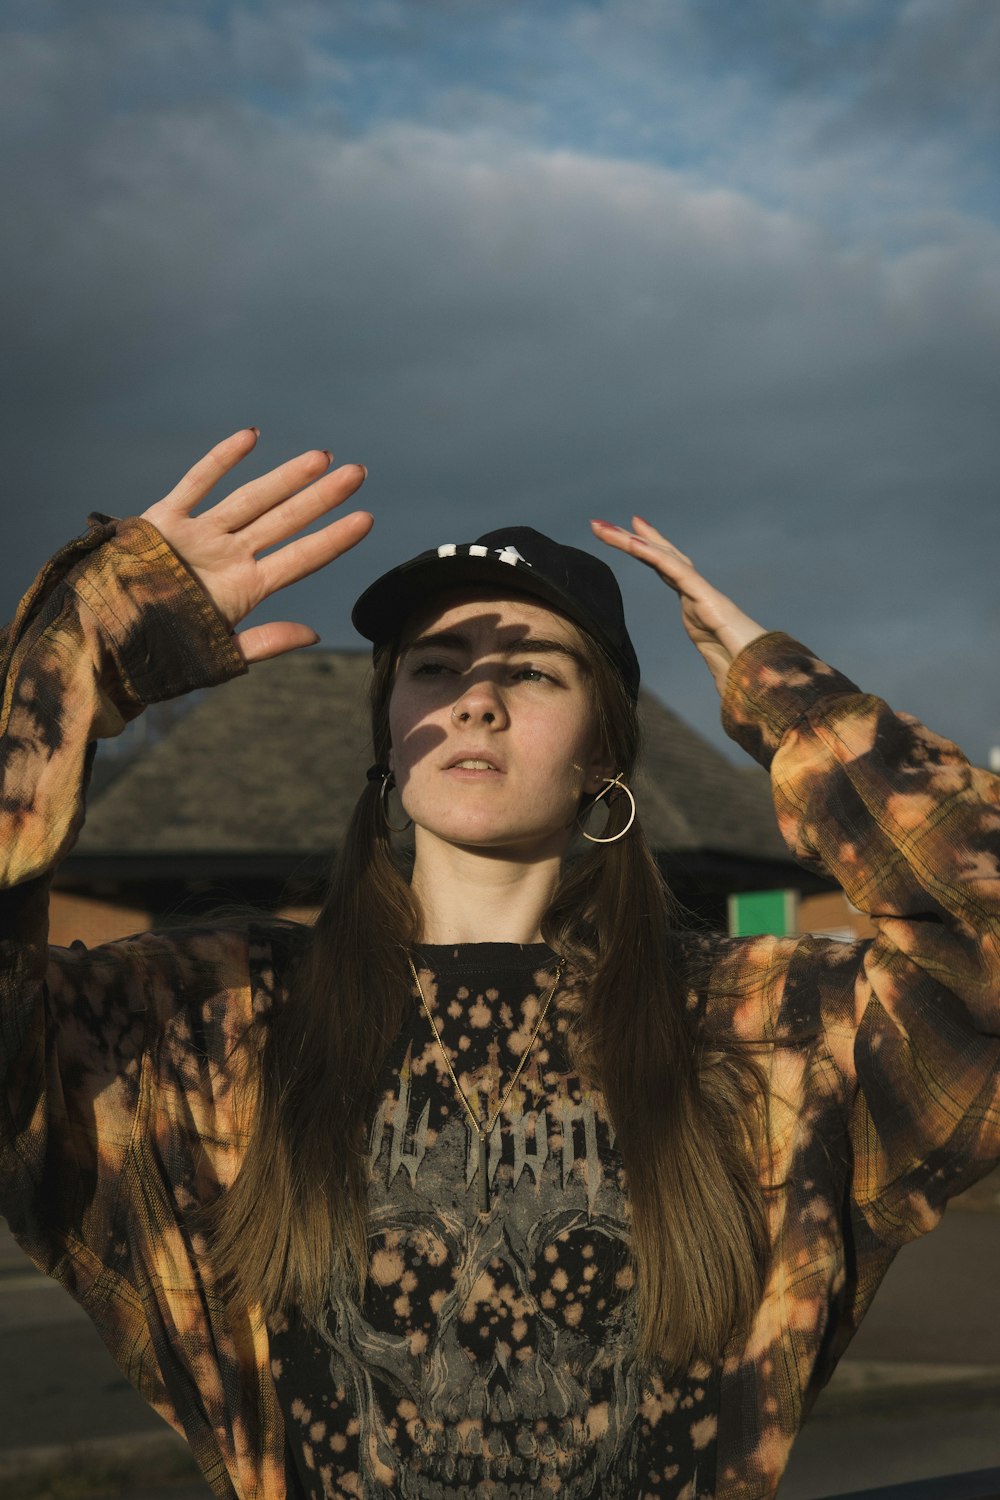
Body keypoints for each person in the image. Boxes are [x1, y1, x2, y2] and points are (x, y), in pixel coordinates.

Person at [1, 426, 997, 1500]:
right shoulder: (206, 1024)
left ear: (602, 751)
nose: (475, 698)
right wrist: (79, 645)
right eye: (435, 669)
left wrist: (784, 695)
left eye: (529, 672)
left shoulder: (766, 1032)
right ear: (390, 733)